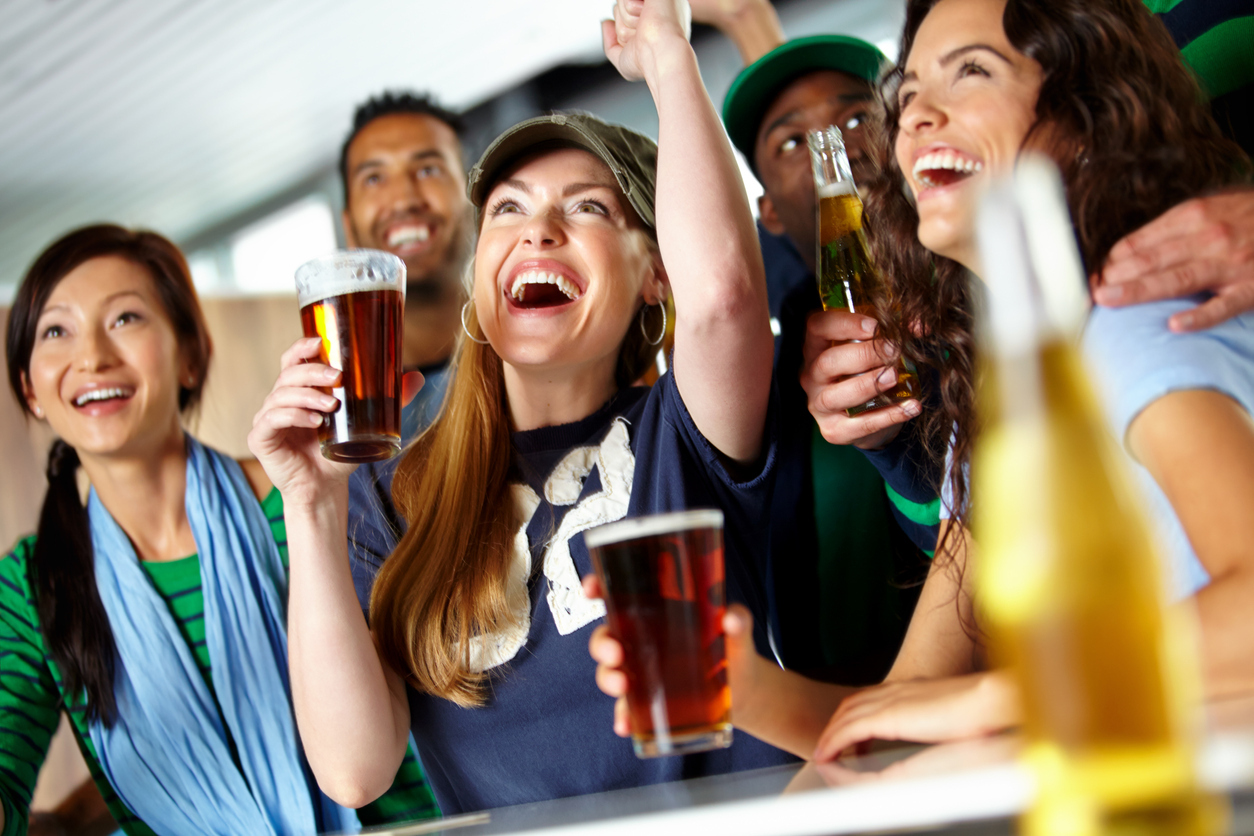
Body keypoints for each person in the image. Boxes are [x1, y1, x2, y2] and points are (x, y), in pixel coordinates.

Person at [595, 0, 1254, 761]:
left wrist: (998, 694)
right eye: (905, 97)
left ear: (1089, 114)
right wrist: (739, 683)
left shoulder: (1138, 323)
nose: (916, 119)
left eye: (970, 72)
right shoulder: (998, 419)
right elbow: (903, 712)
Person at [249, 0, 794, 816]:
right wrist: (308, 504)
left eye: (588, 207)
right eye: (507, 209)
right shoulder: (391, 487)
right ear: (480, 274)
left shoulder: (684, 432)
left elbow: (721, 296)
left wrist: (668, 57)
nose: (538, 230)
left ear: (655, 273)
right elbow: (354, 771)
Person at [0, 225, 437, 836]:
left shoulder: (318, 492)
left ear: (190, 355)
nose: (92, 357)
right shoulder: (28, 587)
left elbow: (377, 758)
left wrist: (314, 502)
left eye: (125, 318)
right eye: (56, 330)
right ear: (30, 388)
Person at [339, 91, 471, 437]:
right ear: (348, 225)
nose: (404, 200)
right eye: (374, 178)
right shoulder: (336, 413)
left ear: (475, 199)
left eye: (428, 169)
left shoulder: (543, 360)